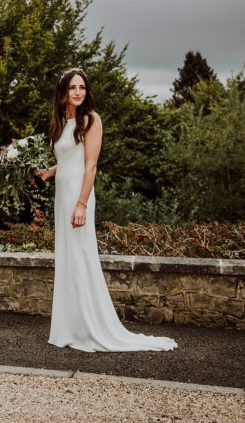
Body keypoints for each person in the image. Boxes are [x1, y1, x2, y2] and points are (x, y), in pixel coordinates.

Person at [37, 68, 177, 352]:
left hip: (79, 196)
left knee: (81, 257)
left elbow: (90, 165)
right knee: (68, 260)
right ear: (63, 92)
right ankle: (70, 327)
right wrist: (48, 173)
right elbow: (68, 159)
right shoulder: (61, 121)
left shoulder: (91, 120)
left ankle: (90, 327)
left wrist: (81, 204)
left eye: (82, 88)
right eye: (73, 88)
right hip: (62, 196)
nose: (78, 92)